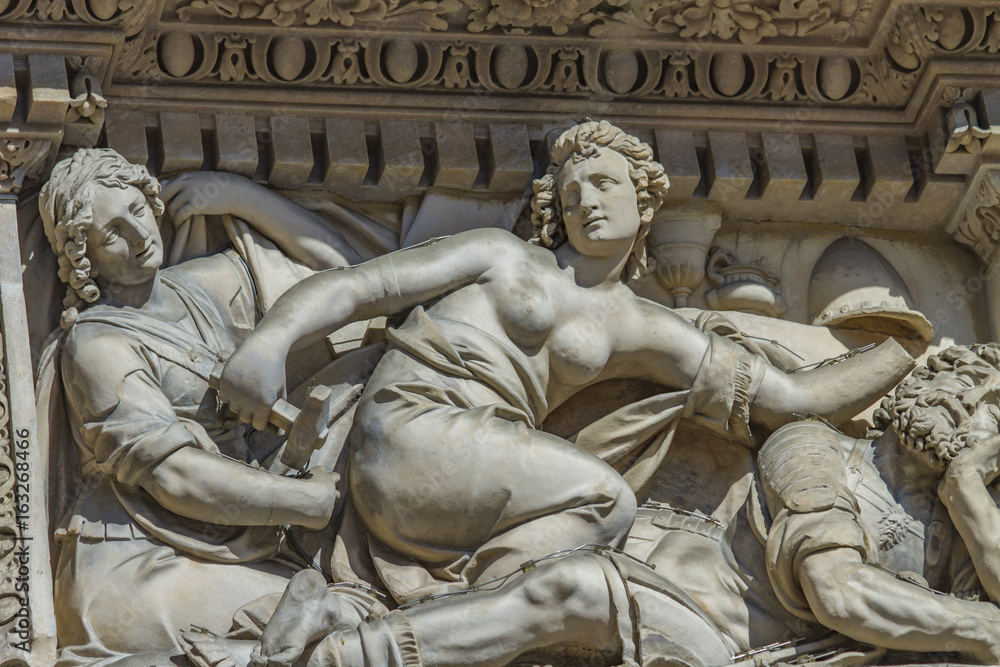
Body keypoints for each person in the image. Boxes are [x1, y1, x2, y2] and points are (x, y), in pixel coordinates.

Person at [217, 120, 916, 605]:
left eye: (605, 184)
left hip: (465, 471)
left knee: (603, 506)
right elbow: (360, 286)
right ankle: (474, 612)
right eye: (573, 193)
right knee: (606, 500)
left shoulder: (644, 325)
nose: (587, 202)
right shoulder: (502, 254)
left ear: (646, 202)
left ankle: (474, 607)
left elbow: (789, 398)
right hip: (408, 426)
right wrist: (266, 343)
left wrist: (906, 351)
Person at [189, 344, 1000, 667]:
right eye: (990, 408)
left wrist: (967, 492)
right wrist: (980, 626)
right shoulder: (816, 447)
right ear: (942, 389)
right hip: (692, 619)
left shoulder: (956, 535)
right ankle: (349, 659)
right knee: (574, 587)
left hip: (732, 656)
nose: (988, 434)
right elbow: (837, 590)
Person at [38, 149, 384, 666]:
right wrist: (307, 502)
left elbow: (346, 274)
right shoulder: (96, 345)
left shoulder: (204, 287)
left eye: (136, 209)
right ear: (83, 257)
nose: (137, 237)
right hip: (138, 566)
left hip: (240, 535)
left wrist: (244, 198)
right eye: (111, 234)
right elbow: (177, 477)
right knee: (360, 624)